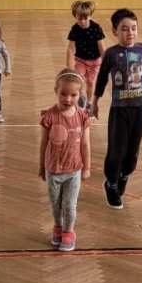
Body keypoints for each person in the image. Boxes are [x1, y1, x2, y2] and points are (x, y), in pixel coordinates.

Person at [92, 8, 142, 209]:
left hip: (140, 108)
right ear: (114, 31)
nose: (130, 32)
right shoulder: (111, 53)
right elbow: (101, 78)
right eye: (124, 29)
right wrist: (95, 102)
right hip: (119, 110)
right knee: (117, 151)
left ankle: (123, 175)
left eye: (133, 28)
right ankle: (111, 183)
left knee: (132, 153)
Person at [38, 69, 92, 251]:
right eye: (63, 94)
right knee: (55, 205)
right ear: (56, 91)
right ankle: (58, 226)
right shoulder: (49, 116)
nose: (67, 99)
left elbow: (85, 144)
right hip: (53, 170)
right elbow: (43, 143)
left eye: (73, 95)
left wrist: (87, 168)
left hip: (74, 170)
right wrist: (41, 166)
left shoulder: (83, 116)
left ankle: (68, 232)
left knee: (69, 205)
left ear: (80, 94)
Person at [65, 0, 105, 110]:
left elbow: (101, 47)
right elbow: (70, 48)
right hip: (80, 59)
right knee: (79, 79)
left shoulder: (96, 28)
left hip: (94, 61)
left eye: (85, 18)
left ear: (90, 16)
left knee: (90, 83)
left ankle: (89, 103)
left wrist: (107, 61)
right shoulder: (75, 29)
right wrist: (69, 66)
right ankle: (81, 96)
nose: (82, 22)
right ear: (75, 17)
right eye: (79, 19)